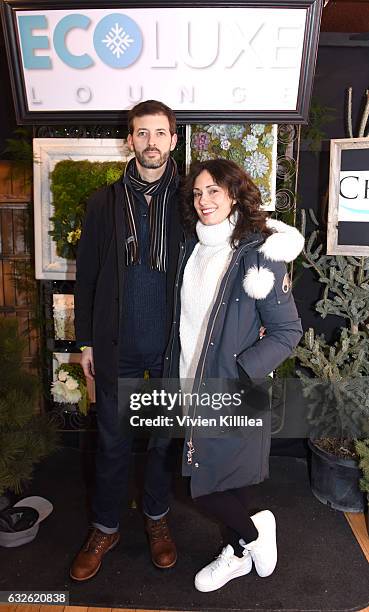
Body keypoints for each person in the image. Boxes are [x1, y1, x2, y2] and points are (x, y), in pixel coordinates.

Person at [162, 158, 304, 592]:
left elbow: (287, 331)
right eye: (198, 193)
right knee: (225, 478)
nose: (204, 201)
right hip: (188, 380)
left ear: (235, 194)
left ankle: (253, 533)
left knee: (204, 485)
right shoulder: (192, 246)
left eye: (214, 192)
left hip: (232, 386)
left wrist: (243, 372)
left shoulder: (258, 253)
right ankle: (243, 547)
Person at [71, 100, 183, 581]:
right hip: (117, 342)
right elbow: (88, 277)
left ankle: (157, 519)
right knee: (113, 442)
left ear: (173, 140)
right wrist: (86, 342)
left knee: (161, 442)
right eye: (143, 133)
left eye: (160, 133)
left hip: (170, 344)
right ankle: (106, 526)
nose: (151, 142)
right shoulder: (103, 202)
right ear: (130, 140)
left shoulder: (192, 198)